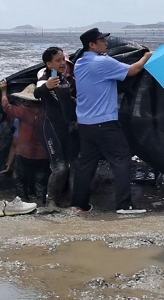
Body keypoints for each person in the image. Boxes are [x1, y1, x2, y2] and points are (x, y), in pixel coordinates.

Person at [71, 28, 152, 214]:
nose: (106, 43)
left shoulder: (80, 63)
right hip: (105, 123)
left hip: (85, 123)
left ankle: (80, 205)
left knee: (86, 164)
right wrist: (147, 56)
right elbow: (133, 70)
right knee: (122, 159)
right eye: (101, 40)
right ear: (92, 44)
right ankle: (124, 205)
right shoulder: (102, 62)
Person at [34, 47, 78, 210]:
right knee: (59, 168)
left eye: (63, 61)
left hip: (67, 129)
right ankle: (50, 201)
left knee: (69, 167)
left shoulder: (65, 80)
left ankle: (66, 200)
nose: (62, 64)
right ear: (49, 63)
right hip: (51, 128)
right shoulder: (45, 76)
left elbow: (68, 102)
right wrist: (47, 87)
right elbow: (37, 93)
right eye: (58, 61)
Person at [0, 80, 50, 204]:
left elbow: (6, 106)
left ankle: (23, 201)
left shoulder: (22, 110)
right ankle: (41, 203)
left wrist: (3, 91)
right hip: (44, 154)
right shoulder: (48, 112)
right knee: (41, 181)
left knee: (20, 178)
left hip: (24, 153)